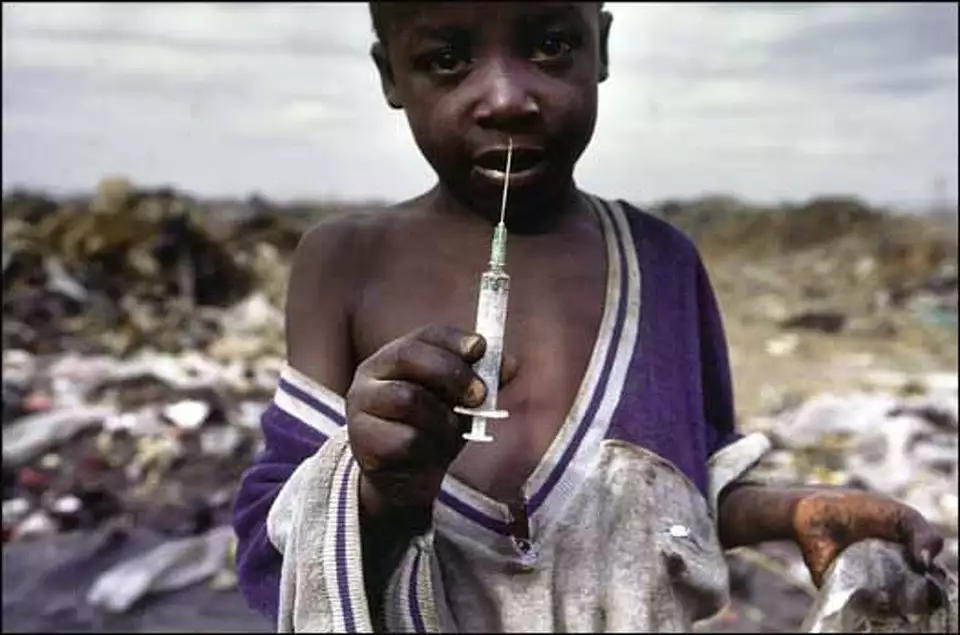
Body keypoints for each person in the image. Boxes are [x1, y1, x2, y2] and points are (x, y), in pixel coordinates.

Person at [233, 2, 944, 631]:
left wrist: (795, 510)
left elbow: (683, 495)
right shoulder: (344, 263)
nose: (507, 98)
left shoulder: (664, 264)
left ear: (600, 47)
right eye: (446, 59)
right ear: (391, 74)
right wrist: (373, 487)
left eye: (549, 45)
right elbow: (273, 546)